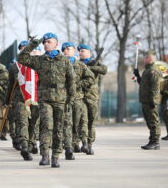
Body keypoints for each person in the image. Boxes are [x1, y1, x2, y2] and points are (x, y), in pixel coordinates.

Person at [18, 33, 76, 168]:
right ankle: (45, 155)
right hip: (45, 99)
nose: (45, 44)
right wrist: (34, 43)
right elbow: (22, 58)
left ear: (56, 44)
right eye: (44, 42)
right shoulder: (39, 60)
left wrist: (71, 100)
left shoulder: (65, 61)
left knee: (58, 128)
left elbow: (71, 81)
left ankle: (55, 156)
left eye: (49, 42)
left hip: (61, 99)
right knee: (46, 126)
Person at [62, 42, 95, 160]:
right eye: (63, 49)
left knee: (81, 122)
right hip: (64, 99)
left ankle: (84, 142)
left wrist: (79, 84)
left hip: (77, 99)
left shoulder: (79, 65)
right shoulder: (60, 64)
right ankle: (69, 147)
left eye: (68, 49)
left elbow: (90, 78)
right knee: (67, 123)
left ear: (73, 51)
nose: (65, 51)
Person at [78, 44, 107, 155]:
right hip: (80, 96)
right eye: (80, 51)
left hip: (92, 97)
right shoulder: (77, 63)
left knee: (91, 122)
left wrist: (90, 67)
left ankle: (90, 145)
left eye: (83, 51)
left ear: (89, 52)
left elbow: (104, 70)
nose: (81, 52)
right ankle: (84, 142)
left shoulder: (94, 63)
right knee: (83, 120)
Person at [134, 50, 162, 150]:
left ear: (150, 59)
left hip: (150, 101)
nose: (144, 59)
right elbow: (144, 85)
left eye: (146, 58)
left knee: (153, 121)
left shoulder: (153, 71)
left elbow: (155, 87)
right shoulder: (147, 71)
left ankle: (155, 142)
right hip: (145, 100)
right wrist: (138, 76)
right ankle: (152, 140)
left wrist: (153, 100)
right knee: (149, 121)